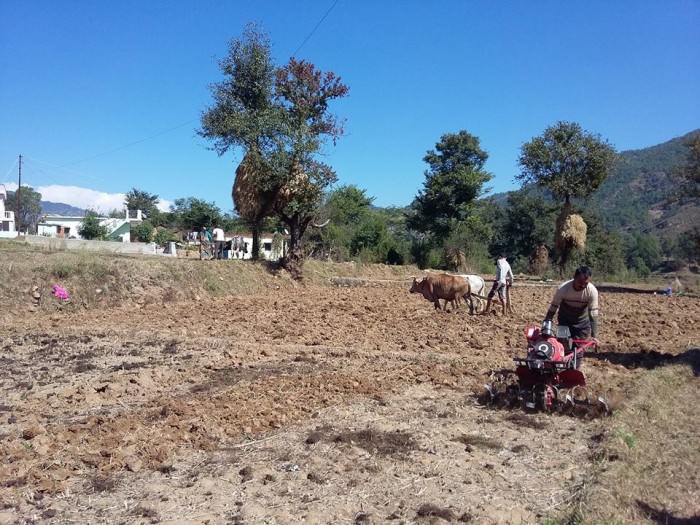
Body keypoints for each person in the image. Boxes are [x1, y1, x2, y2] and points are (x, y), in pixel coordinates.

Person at [543, 265, 599, 345]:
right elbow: (553, 308)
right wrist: (546, 326)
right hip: (564, 321)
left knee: (578, 349)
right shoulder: (563, 289)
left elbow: (593, 314)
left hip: (582, 323)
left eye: (585, 283)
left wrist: (594, 336)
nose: (582, 286)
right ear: (574, 278)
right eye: (580, 282)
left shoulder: (592, 291)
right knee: (563, 347)